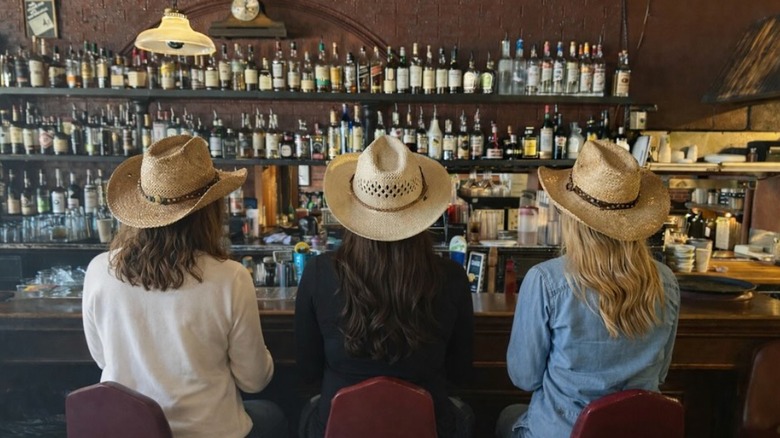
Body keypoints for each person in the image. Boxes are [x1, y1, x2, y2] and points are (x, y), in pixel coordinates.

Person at [83, 135, 287, 438]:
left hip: (128, 430)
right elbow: (254, 381)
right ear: (210, 210)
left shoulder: (100, 270)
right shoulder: (230, 277)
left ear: (140, 210)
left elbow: (103, 359)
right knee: (273, 416)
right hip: (210, 432)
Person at [495, 140, 680, 438]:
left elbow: (524, 378)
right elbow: (661, 374)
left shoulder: (546, 280)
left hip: (564, 432)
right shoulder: (666, 281)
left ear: (571, 216)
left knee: (507, 417)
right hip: (639, 431)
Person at [295, 135, 475, 438]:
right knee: (466, 413)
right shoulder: (452, 277)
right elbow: (460, 374)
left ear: (353, 207)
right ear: (421, 212)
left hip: (340, 429)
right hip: (427, 428)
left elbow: (307, 372)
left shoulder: (318, 273)